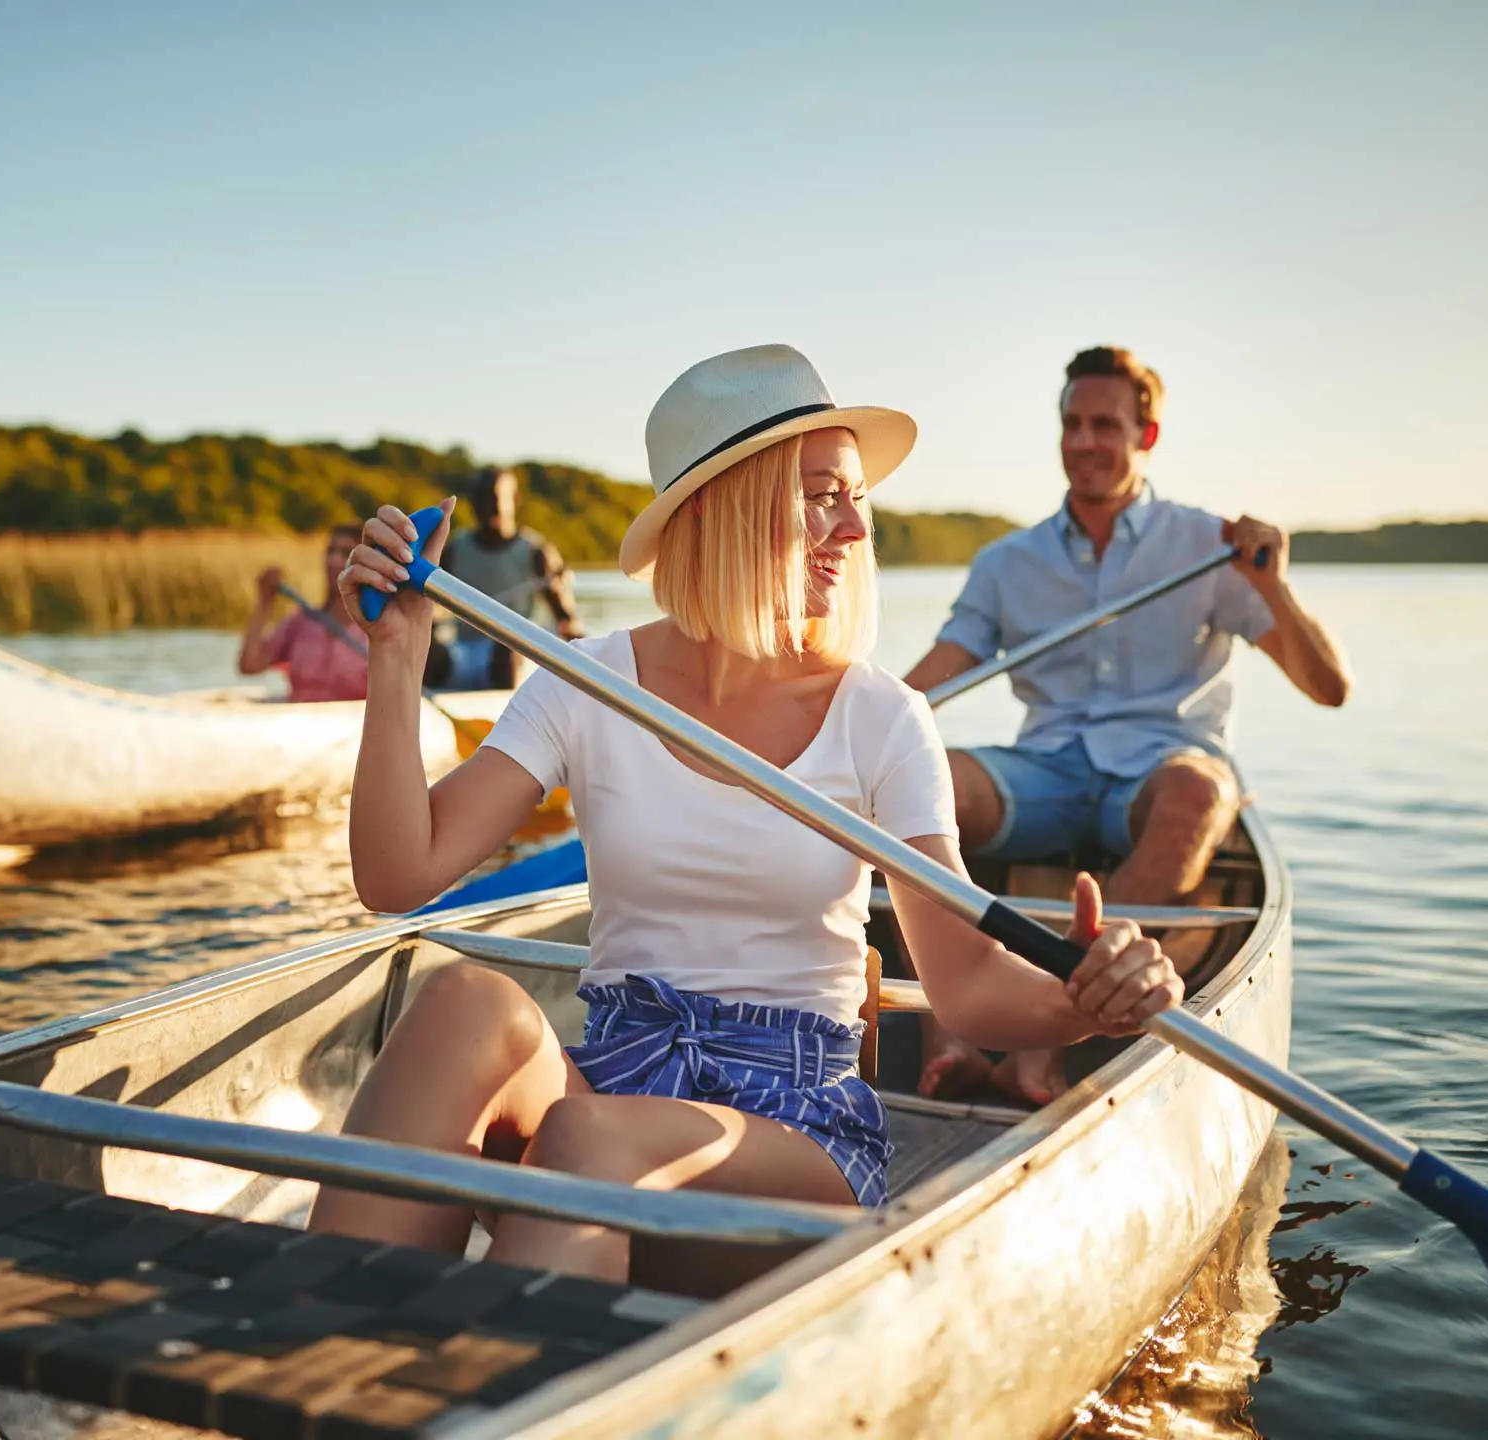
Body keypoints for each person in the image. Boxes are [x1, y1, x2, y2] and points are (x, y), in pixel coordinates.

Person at [307, 344, 1184, 1285]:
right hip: (612, 1080)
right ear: (728, 510)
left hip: (793, 1136)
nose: (853, 529)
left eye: (856, 498)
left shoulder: (882, 717)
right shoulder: (587, 680)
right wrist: (396, 654)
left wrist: (1086, 1001)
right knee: (461, 1005)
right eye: (822, 496)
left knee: (590, 1137)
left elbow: (965, 987)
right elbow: (398, 876)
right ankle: (322, 1359)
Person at [901, 345, 1353, 1105]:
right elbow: (937, 674)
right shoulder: (1009, 562)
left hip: (1165, 771)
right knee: (918, 776)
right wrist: (845, 731)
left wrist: (1270, 585)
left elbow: (1328, 688)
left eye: (1104, 425)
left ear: (1145, 437)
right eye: (1072, 424)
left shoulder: (1211, 549)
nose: (1084, 442)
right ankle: (946, 1037)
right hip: (1046, 770)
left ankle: (1041, 1036)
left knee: (1198, 797)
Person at [438, 464, 585, 690]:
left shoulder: (536, 552)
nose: (488, 506)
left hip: (518, 656)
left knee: (507, 649)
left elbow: (567, 620)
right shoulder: (454, 550)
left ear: (513, 500)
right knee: (431, 654)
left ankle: (509, 716)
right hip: (465, 652)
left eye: (494, 497)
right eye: (481, 498)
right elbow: (428, 611)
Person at [237, 524, 369, 702]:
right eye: (331, 551)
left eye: (346, 553)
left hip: (354, 727)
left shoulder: (375, 630)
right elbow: (249, 665)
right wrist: (265, 602)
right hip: (299, 724)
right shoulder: (300, 623)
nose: (334, 560)